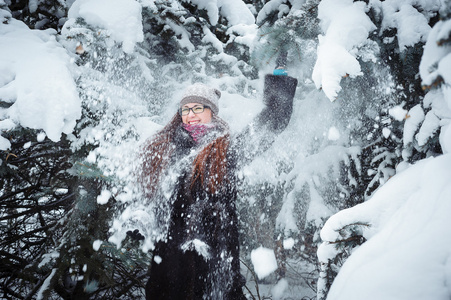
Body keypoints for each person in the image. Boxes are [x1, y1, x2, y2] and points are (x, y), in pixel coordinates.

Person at [138, 72, 297, 299]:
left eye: (198, 108)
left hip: (216, 266)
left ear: (212, 112)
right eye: (186, 109)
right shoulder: (163, 150)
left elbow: (270, 124)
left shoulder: (226, 152)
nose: (191, 115)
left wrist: (279, 84)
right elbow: (148, 204)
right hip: (170, 272)